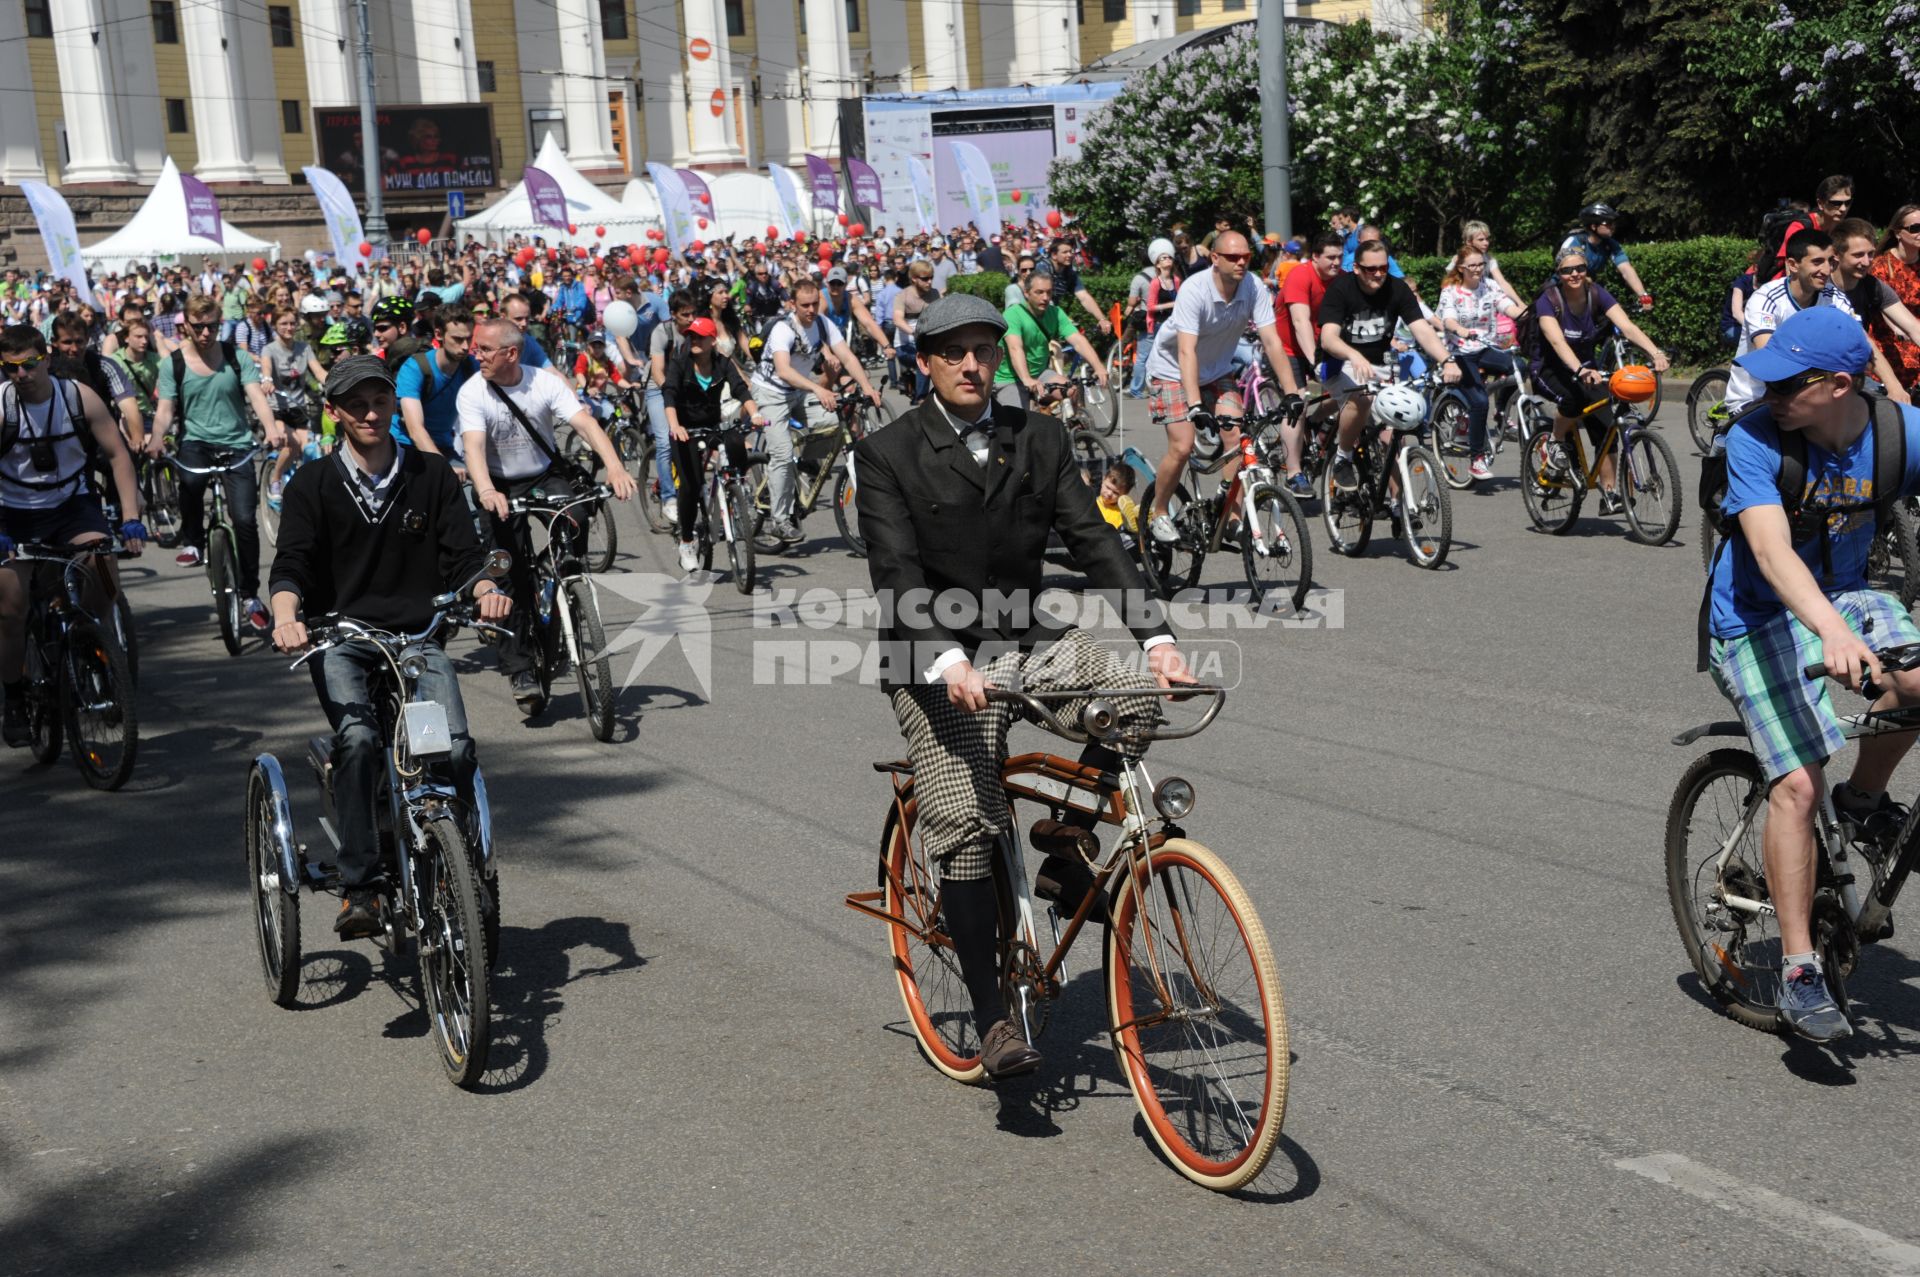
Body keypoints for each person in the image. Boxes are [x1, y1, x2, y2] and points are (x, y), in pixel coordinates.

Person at [853, 291, 1193, 1079]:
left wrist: (1161, 639)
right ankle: (995, 1016)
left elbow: (1094, 540)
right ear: (927, 364)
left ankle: (1065, 845)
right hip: (931, 656)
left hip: (1023, 638)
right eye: (954, 352)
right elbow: (896, 574)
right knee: (967, 820)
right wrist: (947, 661)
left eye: (984, 348)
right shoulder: (887, 452)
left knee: (1137, 700)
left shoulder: (1037, 437)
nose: (972, 364)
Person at [1704, 307, 1920, 1042]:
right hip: (1754, 617)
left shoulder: (1899, 433)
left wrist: (1839, 620)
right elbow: (1769, 552)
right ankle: (1799, 968)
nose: (1766, 395)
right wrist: (1827, 630)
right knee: (1795, 782)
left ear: (1835, 385)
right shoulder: (1754, 437)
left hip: (1851, 597)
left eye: (1783, 384)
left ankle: (1862, 799)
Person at [267, 354, 513, 939]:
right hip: (342, 638)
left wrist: (484, 588)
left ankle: (461, 861)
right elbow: (292, 563)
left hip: (417, 637)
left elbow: (463, 555)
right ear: (335, 414)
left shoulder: (430, 475)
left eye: (379, 400)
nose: (371, 412)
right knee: (358, 741)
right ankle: (364, 888)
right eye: (356, 404)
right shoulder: (313, 483)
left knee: (451, 749)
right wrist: (286, 617)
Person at [458, 317, 636, 713]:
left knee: (577, 516)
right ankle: (521, 668)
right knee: (507, 578)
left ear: (511, 353)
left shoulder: (544, 382)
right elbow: (473, 447)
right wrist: (485, 489)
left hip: (544, 474)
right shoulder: (474, 392)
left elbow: (585, 423)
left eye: (485, 349)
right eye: (476, 347)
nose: (477, 354)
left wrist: (616, 466)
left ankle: (561, 576)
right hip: (499, 485)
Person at [0, 325, 148, 747]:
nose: (21, 374)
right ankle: (13, 695)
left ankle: (94, 650)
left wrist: (131, 516)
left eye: (29, 363)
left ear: (45, 357)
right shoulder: (2, 407)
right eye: (9, 368)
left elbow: (118, 455)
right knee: (10, 608)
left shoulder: (78, 397)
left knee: (104, 574)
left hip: (72, 506)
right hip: (14, 513)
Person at [1141, 230, 1301, 539]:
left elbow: (1272, 341)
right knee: (1183, 445)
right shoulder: (1194, 290)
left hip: (1215, 370)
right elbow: (1187, 351)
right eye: (1232, 257)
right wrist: (1195, 404)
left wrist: (1292, 392)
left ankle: (1232, 515)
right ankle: (1159, 511)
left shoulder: (1253, 287)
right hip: (1173, 369)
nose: (1241, 262)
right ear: (1215, 259)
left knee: (1237, 438)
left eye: (1246, 256)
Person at [147, 295, 282, 630]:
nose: (205, 333)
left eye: (211, 326)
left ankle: (250, 595)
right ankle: (192, 541)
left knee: (246, 520)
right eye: (198, 326)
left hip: (237, 445)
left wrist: (270, 427)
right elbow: (165, 410)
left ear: (219, 323)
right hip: (196, 442)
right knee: (190, 481)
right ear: (186, 326)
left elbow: (255, 396)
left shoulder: (236, 358)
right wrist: (155, 436)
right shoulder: (173, 364)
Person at [1530, 248, 1669, 508]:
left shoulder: (1596, 293)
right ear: (1558, 273)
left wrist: (1655, 352)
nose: (1574, 274)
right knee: (1571, 401)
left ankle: (1609, 492)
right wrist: (1580, 370)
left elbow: (1627, 326)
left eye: (1580, 268)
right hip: (1549, 368)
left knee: (1607, 423)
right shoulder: (1549, 299)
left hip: (1588, 369)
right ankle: (1556, 442)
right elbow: (1557, 341)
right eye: (1567, 270)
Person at [1318, 240, 1458, 494]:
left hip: (1380, 365)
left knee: (1391, 435)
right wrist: (1354, 355)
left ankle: (1400, 506)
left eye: (1383, 267)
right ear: (1357, 268)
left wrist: (1447, 360)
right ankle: (1343, 457)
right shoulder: (1341, 289)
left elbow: (1422, 330)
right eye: (1371, 269)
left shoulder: (1397, 288)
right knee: (1361, 400)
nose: (1378, 274)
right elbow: (1328, 339)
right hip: (1340, 364)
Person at [752, 280, 879, 546]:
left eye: (813, 304)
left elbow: (847, 357)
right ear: (792, 304)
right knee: (783, 454)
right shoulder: (782, 329)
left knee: (838, 421)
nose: (810, 310)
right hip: (771, 393)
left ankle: (807, 466)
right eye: (804, 305)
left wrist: (867, 387)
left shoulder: (822, 324)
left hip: (798, 391)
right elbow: (784, 370)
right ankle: (779, 520)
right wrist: (818, 389)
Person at [662, 315, 767, 572]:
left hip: (711, 424)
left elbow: (741, 389)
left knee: (736, 446)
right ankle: (687, 541)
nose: (694, 340)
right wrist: (675, 426)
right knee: (691, 484)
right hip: (684, 429)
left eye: (700, 336)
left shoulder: (723, 362)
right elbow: (670, 395)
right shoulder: (680, 363)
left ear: (712, 340)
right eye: (692, 336)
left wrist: (754, 414)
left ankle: (734, 495)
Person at [1725, 229, 1853, 416]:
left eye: (1830, 262)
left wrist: (1893, 387)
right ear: (1793, 265)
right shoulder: (1766, 298)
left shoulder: (1834, 298)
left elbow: (1860, 343)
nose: (1826, 270)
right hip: (1756, 397)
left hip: (1809, 395)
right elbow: (1769, 356)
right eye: (1817, 262)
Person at [1438, 248, 1527, 480]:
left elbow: (1506, 306)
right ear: (1461, 268)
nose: (1478, 269)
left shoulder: (1489, 286)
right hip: (1459, 351)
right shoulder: (1451, 292)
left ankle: (1501, 412)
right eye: (1472, 266)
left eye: (1481, 265)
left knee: (1519, 366)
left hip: (1485, 347)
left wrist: (1526, 316)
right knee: (1478, 402)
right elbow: (1447, 319)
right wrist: (1460, 330)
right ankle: (1476, 459)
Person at [1829, 218, 1920, 406]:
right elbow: (1863, 340)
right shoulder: (1824, 289)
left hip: (1860, 367)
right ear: (1836, 254)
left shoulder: (1872, 286)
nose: (1866, 262)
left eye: (1870, 254)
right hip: (1828, 372)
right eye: (1858, 255)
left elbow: (1913, 326)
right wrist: (1894, 386)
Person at [994, 269, 1107, 413]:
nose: (1045, 297)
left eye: (1049, 292)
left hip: (1040, 374)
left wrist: (1098, 367)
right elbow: (1015, 348)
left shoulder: (1056, 312)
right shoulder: (1012, 314)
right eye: (1039, 292)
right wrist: (1026, 379)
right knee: (1018, 422)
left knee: (1071, 390)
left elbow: (1078, 341)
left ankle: (1075, 429)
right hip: (1010, 378)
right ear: (1026, 293)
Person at [392, 304, 479, 467]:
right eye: (458, 339)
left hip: (444, 447)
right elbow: (415, 430)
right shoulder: (415, 368)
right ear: (439, 334)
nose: (466, 346)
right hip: (404, 445)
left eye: (469, 338)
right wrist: (445, 469)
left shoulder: (472, 367)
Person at [260, 306, 329, 501]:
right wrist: (267, 379)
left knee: (311, 450)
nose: (289, 327)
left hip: (298, 409)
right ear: (275, 326)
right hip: (277, 410)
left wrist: (336, 382)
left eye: (292, 323)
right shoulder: (270, 349)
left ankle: (305, 490)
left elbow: (318, 372)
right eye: (283, 323)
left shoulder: (304, 348)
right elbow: (266, 366)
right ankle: (275, 478)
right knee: (293, 445)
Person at [1556, 203, 1653, 311]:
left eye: (1613, 223)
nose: (1613, 226)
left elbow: (1626, 269)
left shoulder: (1610, 244)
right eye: (1608, 223)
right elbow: (1571, 274)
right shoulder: (1575, 242)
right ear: (1594, 226)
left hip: (1588, 292)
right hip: (1563, 292)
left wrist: (1643, 295)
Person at [1874, 204, 1920, 393]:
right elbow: (1886, 311)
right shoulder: (1881, 266)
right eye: (1915, 228)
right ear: (1898, 233)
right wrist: (1901, 330)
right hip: (1893, 340)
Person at [1035, 238, 1111, 337]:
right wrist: (1064, 319)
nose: (1070, 255)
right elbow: (1044, 298)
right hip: (1036, 315)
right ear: (1054, 255)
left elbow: (1084, 297)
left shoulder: (1069, 273)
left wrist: (1102, 319)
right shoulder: (1043, 268)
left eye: (1071, 252)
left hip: (1050, 315)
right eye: (1065, 252)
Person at [891, 263, 940, 405]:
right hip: (904, 346)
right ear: (914, 279)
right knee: (923, 362)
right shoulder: (903, 296)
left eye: (931, 278)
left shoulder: (934, 294)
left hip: (926, 344)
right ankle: (921, 398)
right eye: (925, 279)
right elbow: (897, 320)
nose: (929, 282)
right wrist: (915, 332)